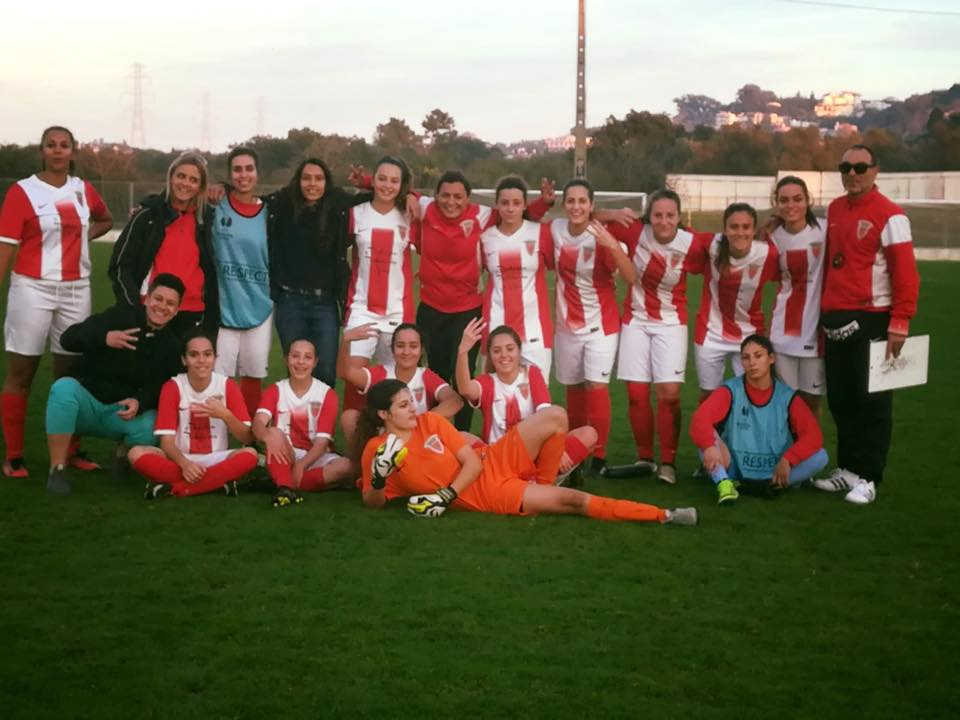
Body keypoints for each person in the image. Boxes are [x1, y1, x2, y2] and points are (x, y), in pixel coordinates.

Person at [357, 379, 697, 526]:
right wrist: (378, 477)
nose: (414, 409)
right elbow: (374, 502)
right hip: (489, 495)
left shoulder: (430, 421)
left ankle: (543, 482)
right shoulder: (377, 450)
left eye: (411, 401)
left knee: (557, 416)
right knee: (574, 502)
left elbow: (472, 461)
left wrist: (445, 496)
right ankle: (663, 515)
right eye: (404, 405)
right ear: (384, 415)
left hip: (490, 460)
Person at [0, 125, 113, 479]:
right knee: (22, 372)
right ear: (42, 151)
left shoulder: (82, 189)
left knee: (71, 375)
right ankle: (14, 456)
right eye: (51, 145)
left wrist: (77, 240)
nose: (58, 150)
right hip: (32, 287)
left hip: (76, 289)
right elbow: (5, 246)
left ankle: (71, 450)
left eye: (64, 145)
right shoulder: (23, 191)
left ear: (73, 152)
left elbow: (104, 219)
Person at [812, 144, 920, 505]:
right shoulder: (835, 209)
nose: (852, 174)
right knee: (842, 399)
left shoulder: (891, 215)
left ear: (875, 170)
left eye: (860, 167)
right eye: (846, 167)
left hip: (874, 318)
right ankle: (848, 469)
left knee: (872, 401)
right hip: (836, 320)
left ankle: (870, 476)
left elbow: (906, 274)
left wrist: (900, 321)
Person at [602, 189, 713, 484]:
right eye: (658, 215)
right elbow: (587, 218)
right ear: (649, 216)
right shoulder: (635, 231)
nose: (664, 221)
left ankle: (668, 463)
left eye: (670, 215)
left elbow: (731, 242)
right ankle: (645, 458)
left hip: (671, 323)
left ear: (679, 216)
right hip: (636, 321)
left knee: (670, 394)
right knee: (636, 394)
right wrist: (612, 213)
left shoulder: (692, 242)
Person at [44, 274, 187, 494]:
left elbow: (164, 388)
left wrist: (140, 401)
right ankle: (57, 469)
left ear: (177, 310)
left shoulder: (172, 346)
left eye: (170, 303)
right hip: (88, 403)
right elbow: (68, 338)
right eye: (158, 299)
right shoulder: (120, 316)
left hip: (120, 413)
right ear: (147, 298)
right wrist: (104, 337)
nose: (162, 307)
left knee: (152, 424)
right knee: (63, 389)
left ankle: (122, 457)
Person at [546, 179, 637, 474]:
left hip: (601, 325)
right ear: (564, 205)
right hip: (566, 326)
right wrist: (608, 213)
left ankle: (598, 455)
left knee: (595, 387)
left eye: (582, 201)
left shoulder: (602, 235)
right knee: (573, 387)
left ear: (591, 204)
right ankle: (576, 450)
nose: (576, 206)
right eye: (571, 201)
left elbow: (631, 277)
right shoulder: (555, 229)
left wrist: (612, 245)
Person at [266, 158, 371, 387]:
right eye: (306, 178)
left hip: (325, 303)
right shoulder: (282, 204)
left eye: (318, 178)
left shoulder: (337, 204)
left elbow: (380, 193)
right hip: (290, 301)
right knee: (297, 369)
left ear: (326, 182)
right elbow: (249, 199)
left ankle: (322, 412)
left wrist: (366, 182)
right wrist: (224, 188)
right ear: (298, 181)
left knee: (325, 371)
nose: (312, 184)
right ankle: (294, 411)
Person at [689, 334, 828, 504]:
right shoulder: (730, 390)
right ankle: (725, 483)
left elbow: (813, 436)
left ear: (771, 359)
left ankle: (772, 484)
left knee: (821, 456)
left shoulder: (787, 396)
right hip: (735, 469)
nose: (752, 363)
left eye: (758, 356)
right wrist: (710, 447)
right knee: (706, 441)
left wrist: (789, 459)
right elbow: (700, 419)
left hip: (775, 470)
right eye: (746, 358)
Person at [455, 320, 596, 485]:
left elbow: (547, 416)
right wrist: (463, 351)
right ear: (491, 356)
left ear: (519, 351)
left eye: (510, 349)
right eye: (496, 351)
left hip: (535, 453)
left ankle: (535, 480)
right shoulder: (487, 382)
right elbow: (465, 389)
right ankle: (540, 482)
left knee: (589, 434)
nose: (504, 355)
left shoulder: (532, 373)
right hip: (499, 454)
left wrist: (558, 450)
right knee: (459, 437)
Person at [129, 333, 257, 498]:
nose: (201, 360)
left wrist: (225, 415)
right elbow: (166, 443)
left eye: (207, 354)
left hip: (216, 460)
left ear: (215, 358)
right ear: (184, 360)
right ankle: (217, 482)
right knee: (135, 453)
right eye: (194, 355)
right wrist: (185, 464)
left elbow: (247, 439)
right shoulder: (172, 387)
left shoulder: (227, 385)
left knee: (250, 455)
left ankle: (176, 488)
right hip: (179, 459)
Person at [108, 151, 219, 337]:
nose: (185, 183)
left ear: (201, 186)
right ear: (171, 177)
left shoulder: (208, 220)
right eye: (181, 176)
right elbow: (120, 265)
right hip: (154, 310)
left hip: (193, 312)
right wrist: (132, 305)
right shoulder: (147, 216)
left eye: (193, 180)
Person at [340, 156, 418, 396]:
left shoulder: (409, 215)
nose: (387, 185)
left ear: (402, 185)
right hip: (362, 309)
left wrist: (413, 195)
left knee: (396, 387)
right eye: (382, 179)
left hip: (397, 312)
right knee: (354, 380)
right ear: (372, 181)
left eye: (394, 181)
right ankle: (356, 421)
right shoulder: (355, 214)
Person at [688, 203, 779, 403]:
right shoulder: (711, 244)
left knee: (752, 396)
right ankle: (713, 426)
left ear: (754, 230)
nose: (740, 232)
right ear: (724, 229)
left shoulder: (768, 253)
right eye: (734, 227)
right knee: (709, 397)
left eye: (746, 227)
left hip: (750, 334)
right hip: (710, 333)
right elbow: (673, 229)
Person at [210, 147, 273, 417]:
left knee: (253, 374)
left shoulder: (270, 212)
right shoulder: (215, 205)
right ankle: (217, 433)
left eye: (249, 169)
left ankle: (249, 432)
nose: (243, 175)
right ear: (229, 174)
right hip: (223, 305)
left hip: (260, 305)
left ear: (257, 173)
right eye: (237, 169)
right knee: (218, 377)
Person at [253, 339, 353, 507]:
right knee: (274, 433)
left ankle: (282, 482)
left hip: (315, 455)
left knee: (347, 467)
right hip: (286, 452)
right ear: (286, 359)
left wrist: (302, 464)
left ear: (315, 362)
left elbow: (322, 443)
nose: (300, 362)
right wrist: (267, 437)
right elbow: (258, 423)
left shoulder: (326, 394)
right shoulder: (276, 390)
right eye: (295, 356)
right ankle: (286, 486)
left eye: (307, 357)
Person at [338, 322, 462, 454]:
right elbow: (345, 373)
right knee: (349, 417)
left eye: (413, 346)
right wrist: (346, 341)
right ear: (392, 349)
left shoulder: (426, 376)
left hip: (419, 437)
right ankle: (365, 461)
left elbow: (455, 401)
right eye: (400, 346)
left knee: (455, 429)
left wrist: (421, 420)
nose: (406, 352)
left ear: (421, 350)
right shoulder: (381, 373)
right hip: (384, 438)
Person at [479, 176, 556, 377]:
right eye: (505, 203)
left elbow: (560, 267)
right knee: (494, 391)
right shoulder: (485, 238)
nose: (510, 208)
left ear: (525, 205)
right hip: (496, 325)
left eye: (516, 203)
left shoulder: (541, 232)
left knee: (538, 392)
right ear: (497, 205)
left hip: (535, 330)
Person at [767, 175, 827, 413]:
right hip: (783, 330)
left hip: (816, 331)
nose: (791, 205)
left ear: (808, 200)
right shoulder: (771, 238)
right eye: (784, 200)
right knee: (786, 403)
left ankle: (809, 440)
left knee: (811, 402)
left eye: (797, 199)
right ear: (776, 203)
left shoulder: (825, 229)